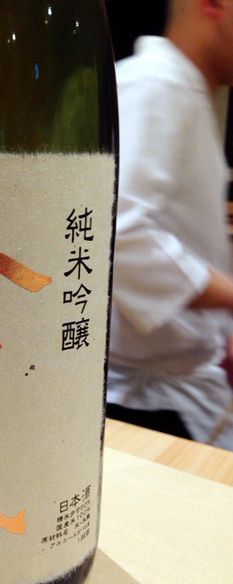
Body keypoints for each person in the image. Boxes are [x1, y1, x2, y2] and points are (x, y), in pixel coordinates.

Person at [106, 0, 233, 449]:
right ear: (212, 5)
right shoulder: (155, 86)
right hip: (140, 403)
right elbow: (117, 233)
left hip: (174, 388)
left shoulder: (182, 91)